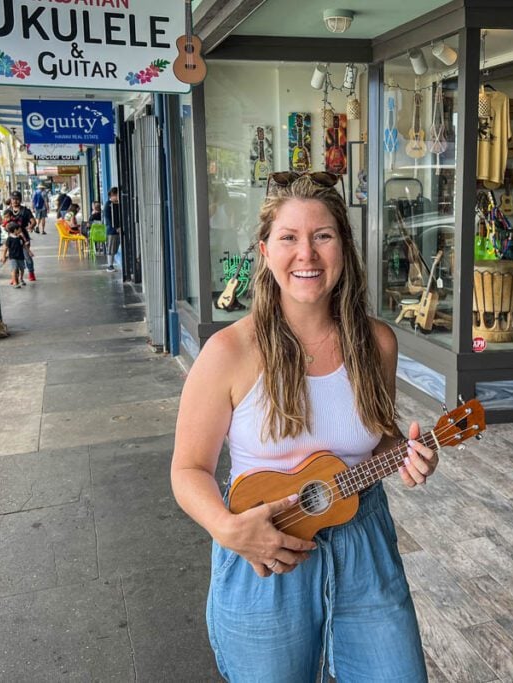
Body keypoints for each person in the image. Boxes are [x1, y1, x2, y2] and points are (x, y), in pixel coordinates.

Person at [170, 173, 434, 682]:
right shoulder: (230, 353)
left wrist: (412, 453)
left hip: (364, 548)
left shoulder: (376, 343)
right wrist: (229, 531)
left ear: (344, 248)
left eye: (323, 236)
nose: (306, 255)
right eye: (289, 238)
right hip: (266, 553)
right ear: (266, 251)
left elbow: (380, 438)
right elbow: (188, 468)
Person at [8, 191, 38, 282]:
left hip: (23, 237)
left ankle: (31, 272)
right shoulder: (8, 211)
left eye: (17, 199)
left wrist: (31, 226)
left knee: (27, 256)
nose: (15, 201)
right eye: (13, 199)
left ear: (20, 200)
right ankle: (15, 277)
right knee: (14, 258)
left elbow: (33, 221)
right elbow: (4, 222)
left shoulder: (25, 211)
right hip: (12, 238)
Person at [0, 221, 30, 288]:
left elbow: (24, 246)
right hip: (13, 257)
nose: (20, 230)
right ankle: (15, 282)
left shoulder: (20, 238)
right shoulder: (9, 239)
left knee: (22, 269)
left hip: (20, 256)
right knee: (14, 269)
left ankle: (21, 278)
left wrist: (29, 252)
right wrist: (3, 256)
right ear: (15, 230)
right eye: (19, 229)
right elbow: (5, 248)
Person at [105, 187, 121, 271]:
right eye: (116, 195)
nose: (118, 196)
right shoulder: (109, 205)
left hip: (117, 230)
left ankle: (111, 265)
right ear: (112, 195)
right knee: (111, 248)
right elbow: (109, 218)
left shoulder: (117, 204)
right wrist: (115, 228)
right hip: (112, 231)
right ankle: (110, 266)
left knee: (115, 247)